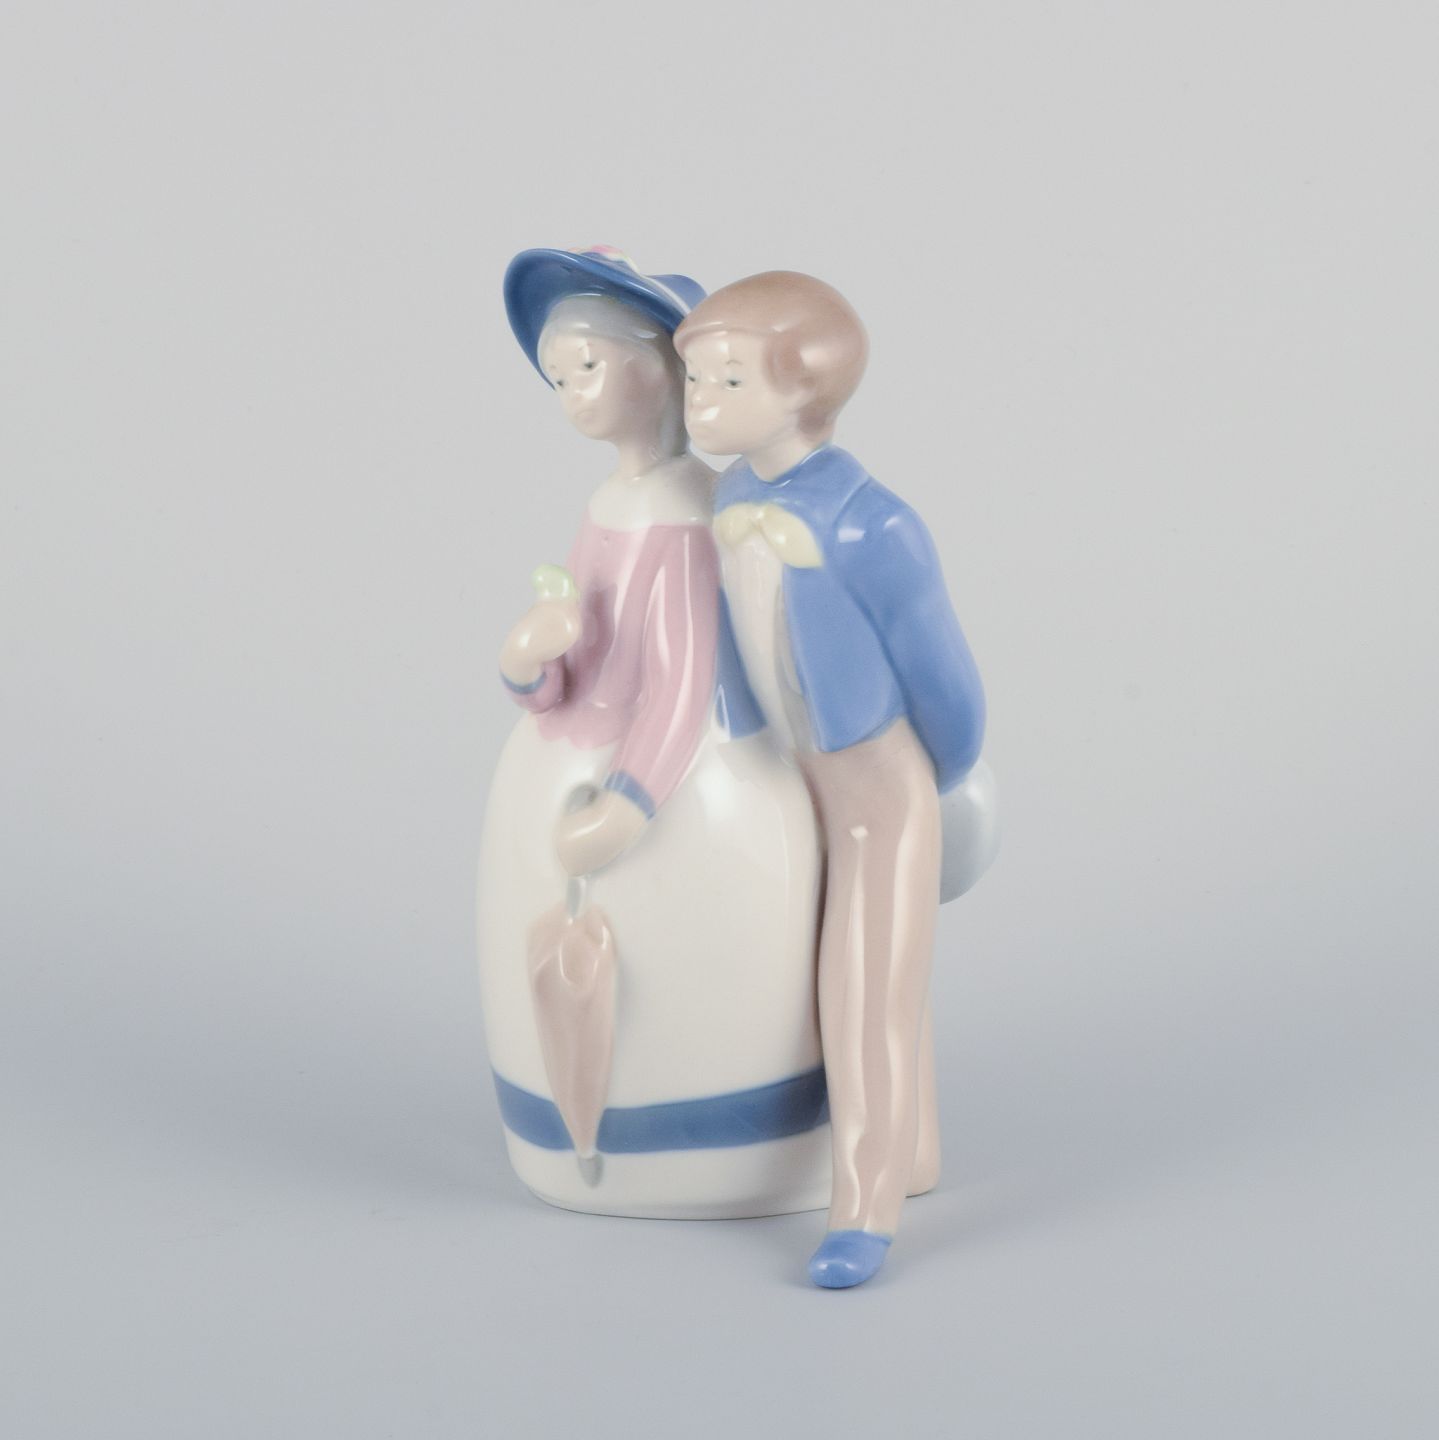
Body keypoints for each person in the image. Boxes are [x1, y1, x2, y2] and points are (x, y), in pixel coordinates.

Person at [477, 247, 828, 1219]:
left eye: (589, 365)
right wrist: (528, 659)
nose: (571, 392)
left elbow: (681, 684)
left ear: (665, 366)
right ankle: (581, 1141)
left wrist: (630, 805)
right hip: (568, 762)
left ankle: (714, 1149)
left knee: (676, 959)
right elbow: (576, 664)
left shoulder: (690, 509)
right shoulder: (608, 506)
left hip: (680, 783)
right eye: (558, 376)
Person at [675, 270, 993, 1286]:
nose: (700, 403)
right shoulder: (732, 497)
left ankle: (862, 1211)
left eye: (728, 381)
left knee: (865, 995)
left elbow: (950, 690)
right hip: (782, 776)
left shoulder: (874, 523)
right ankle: (907, 1148)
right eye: (695, 379)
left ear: (803, 386)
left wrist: (922, 790)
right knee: (801, 977)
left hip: (870, 789)